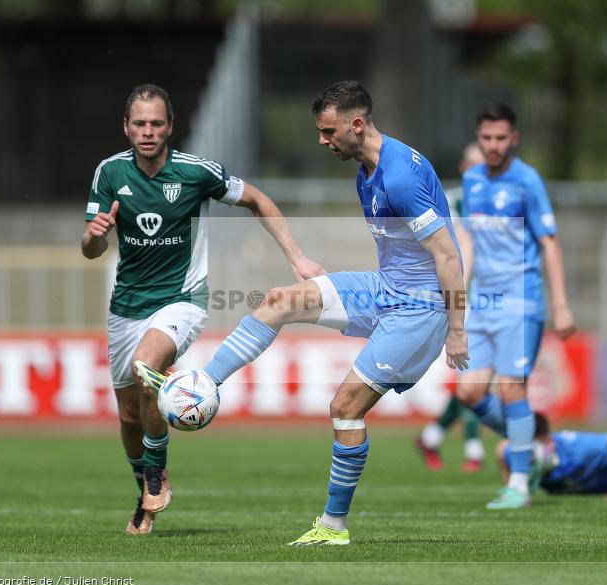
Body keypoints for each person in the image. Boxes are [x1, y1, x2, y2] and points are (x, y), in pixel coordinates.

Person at [137, 80, 468, 546]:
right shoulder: (368, 171)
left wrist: (457, 330)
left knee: (345, 407)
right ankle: (204, 383)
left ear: (357, 124)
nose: (322, 140)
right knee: (279, 300)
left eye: (328, 131)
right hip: (386, 289)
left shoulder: (400, 177)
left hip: (420, 308)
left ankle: (333, 527)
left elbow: (448, 256)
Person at [82, 83, 323, 535]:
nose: (148, 131)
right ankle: (145, 490)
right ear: (126, 127)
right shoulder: (109, 173)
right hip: (126, 306)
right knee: (129, 415)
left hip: (183, 299)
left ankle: (157, 473)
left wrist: (295, 257)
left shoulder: (196, 172)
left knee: (146, 369)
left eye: (156, 123)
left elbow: (258, 199)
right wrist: (95, 235)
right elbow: (91, 250)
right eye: (140, 123)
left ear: (170, 127)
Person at [454, 103, 576, 509]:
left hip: (521, 301)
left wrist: (561, 305)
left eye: (500, 138)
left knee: (511, 388)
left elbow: (550, 243)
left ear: (514, 139)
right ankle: (533, 445)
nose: (493, 145)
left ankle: (519, 485)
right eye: (486, 138)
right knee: (469, 392)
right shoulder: (472, 180)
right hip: (482, 303)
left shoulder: (527, 181)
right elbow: (469, 243)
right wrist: (457, 296)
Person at [416, 142, 486, 472]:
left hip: (491, 297)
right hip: (466, 297)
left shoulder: (498, 201)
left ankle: (432, 437)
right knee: (473, 376)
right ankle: (473, 448)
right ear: (463, 167)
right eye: (473, 165)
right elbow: (455, 252)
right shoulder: (451, 201)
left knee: (478, 379)